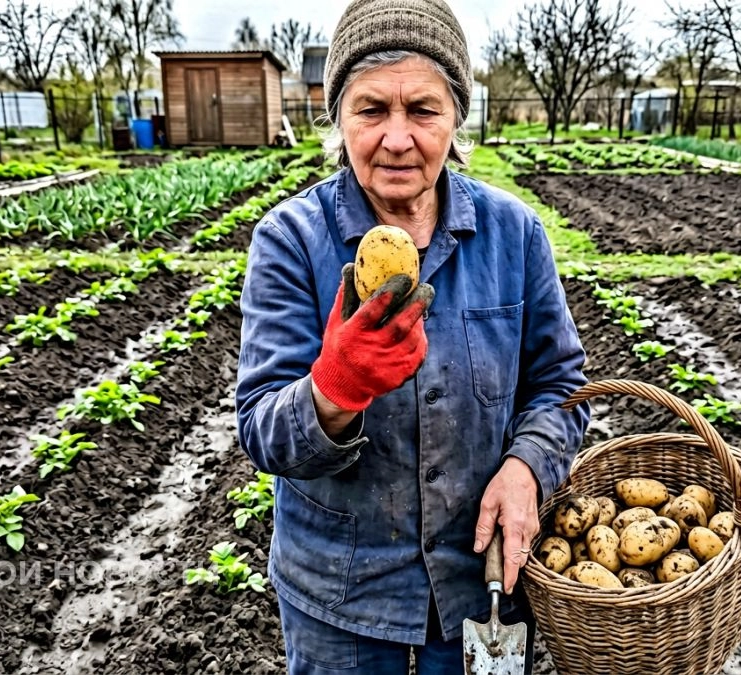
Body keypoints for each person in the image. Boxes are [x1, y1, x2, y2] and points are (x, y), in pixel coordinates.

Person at [235, 0, 591, 672]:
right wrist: (335, 390)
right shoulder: (289, 242)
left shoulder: (515, 236)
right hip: (339, 608)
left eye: (422, 110)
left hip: (483, 590)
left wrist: (528, 467)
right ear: (339, 118)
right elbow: (260, 428)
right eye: (372, 109)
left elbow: (559, 385)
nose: (397, 138)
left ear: (456, 117)